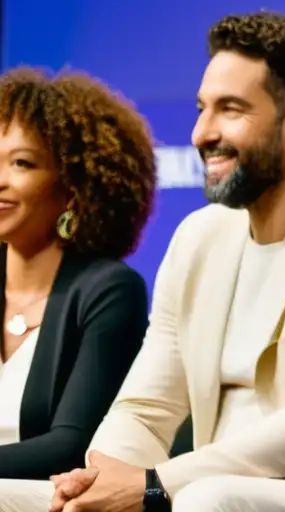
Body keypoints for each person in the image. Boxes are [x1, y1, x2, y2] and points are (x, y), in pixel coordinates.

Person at [0, 12, 285, 512]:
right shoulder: (199, 236)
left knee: (208, 499)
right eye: (202, 109)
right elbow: (147, 406)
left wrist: (154, 483)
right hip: (184, 487)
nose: (201, 132)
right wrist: (102, 479)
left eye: (230, 110)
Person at [0, 68, 153, 481]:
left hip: (47, 496)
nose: (0, 180)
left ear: (73, 186)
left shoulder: (109, 291)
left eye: (21, 163)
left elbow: (70, 446)